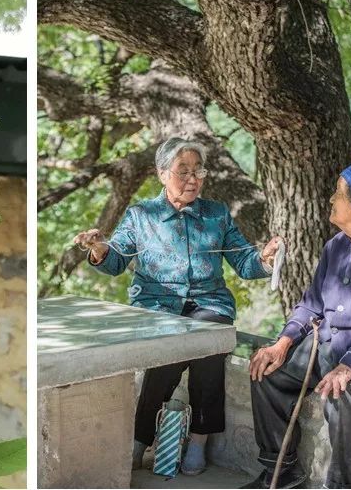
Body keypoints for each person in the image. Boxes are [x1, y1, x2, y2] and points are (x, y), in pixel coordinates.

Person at [73, 137, 281, 476]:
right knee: (167, 354)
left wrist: (264, 258)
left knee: (209, 350)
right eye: (183, 171)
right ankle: (141, 439)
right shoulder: (141, 215)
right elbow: (115, 260)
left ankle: (198, 440)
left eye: (198, 171)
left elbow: (245, 262)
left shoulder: (216, 214)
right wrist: (98, 248)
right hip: (158, 305)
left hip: (208, 302)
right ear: (161, 173)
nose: (192, 179)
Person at [243, 159, 351, 489]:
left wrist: (349, 366)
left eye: (338, 193)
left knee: (347, 394)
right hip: (335, 347)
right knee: (265, 371)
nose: (331, 199)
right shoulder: (335, 246)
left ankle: (340, 486)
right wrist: (283, 342)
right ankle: (282, 472)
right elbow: (311, 304)